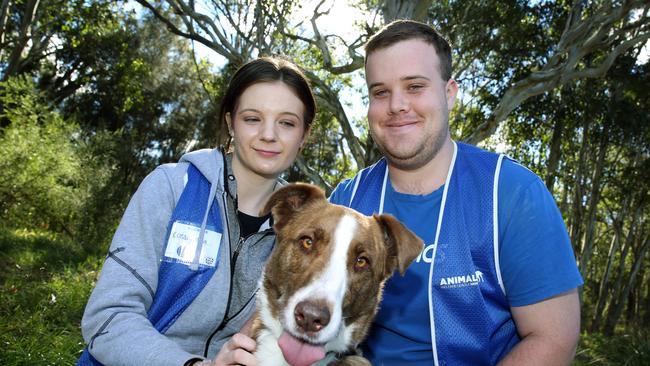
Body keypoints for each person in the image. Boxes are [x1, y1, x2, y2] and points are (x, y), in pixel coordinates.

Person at [329, 20, 583, 365]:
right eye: (380, 92)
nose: (396, 105)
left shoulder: (512, 193)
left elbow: (554, 339)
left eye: (415, 86)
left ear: (449, 94)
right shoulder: (346, 200)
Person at [77, 56, 315, 366]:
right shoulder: (171, 187)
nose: (268, 134)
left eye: (286, 122)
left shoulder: (302, 232)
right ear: (231, 123)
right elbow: (107, 317)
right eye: (252, 118)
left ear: (304, 135)